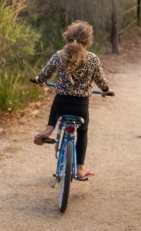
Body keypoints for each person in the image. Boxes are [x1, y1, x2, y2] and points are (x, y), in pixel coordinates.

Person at [32, 20, 112, 180]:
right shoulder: (93, 59)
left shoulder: (58, 56)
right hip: (81, 107)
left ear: (67, 38)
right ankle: (80, 168)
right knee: (82, 131)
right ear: (88, 41)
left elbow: (43, 75)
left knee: (56, 105)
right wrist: (105, 90)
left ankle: (48, 130)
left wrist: (39, 80)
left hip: (61, 104)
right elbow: (101, 81)